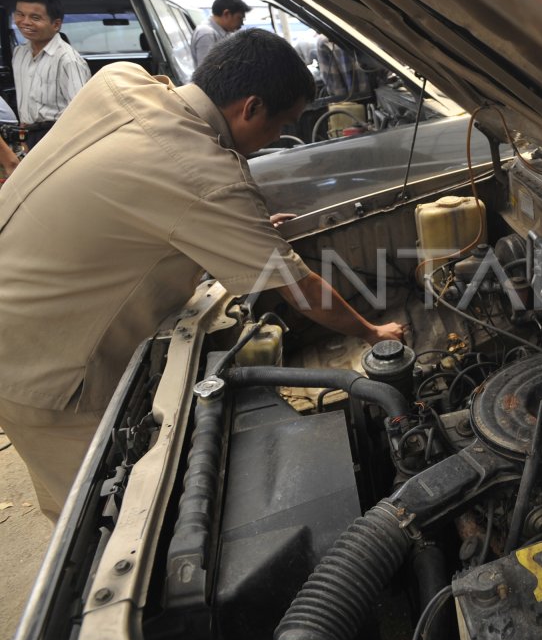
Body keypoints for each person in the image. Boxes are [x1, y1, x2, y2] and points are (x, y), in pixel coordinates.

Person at [0, 29, 407, 521]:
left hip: (17, 304)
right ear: (251, 108)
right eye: (282, 125)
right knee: (112, 516)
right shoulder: (204, 176)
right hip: (43, 366)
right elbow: (303, 293)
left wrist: (237, 235)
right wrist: (372, 332)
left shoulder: (120, 82)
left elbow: (139, 202)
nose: (277, 139)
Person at [12, 0, 92, 150]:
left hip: (57, 137)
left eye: (35, 18)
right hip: (27, 135)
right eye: (20, 14)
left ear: (56, 24)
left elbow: (83, 111)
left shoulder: (68, 59)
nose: (25, 22)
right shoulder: (19, 53)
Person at [190, 0, 251, 65]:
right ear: (226, 14)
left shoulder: (223, 32)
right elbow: (207, 73)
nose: (242, 23)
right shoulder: (207, 33)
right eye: (239, 18)